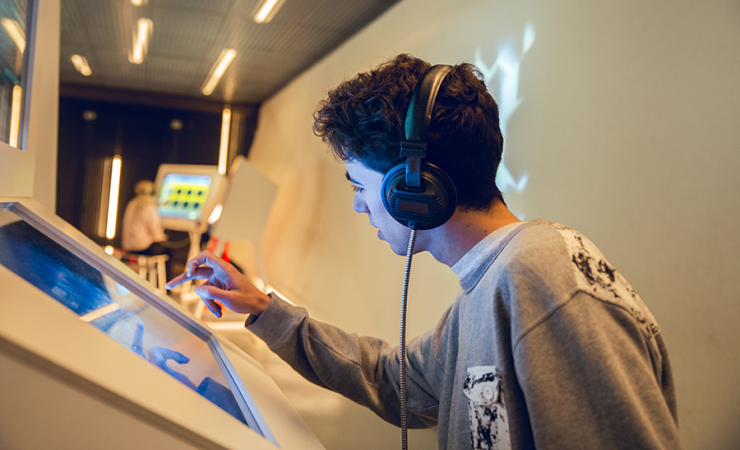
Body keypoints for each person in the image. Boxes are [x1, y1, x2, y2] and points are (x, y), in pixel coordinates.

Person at [166, 54, 684, 449]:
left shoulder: (541, 277)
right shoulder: (489, 287)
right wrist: (262, 308)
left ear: (411, 188)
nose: (358, 207)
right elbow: (397, 381)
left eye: (360, 186)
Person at [121, 179, 169, 255]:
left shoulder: (131, 204)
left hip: (128, 246)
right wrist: (163, 237)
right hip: (142, 248)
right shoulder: (149, 207)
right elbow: (156, 233)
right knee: (167, 249)